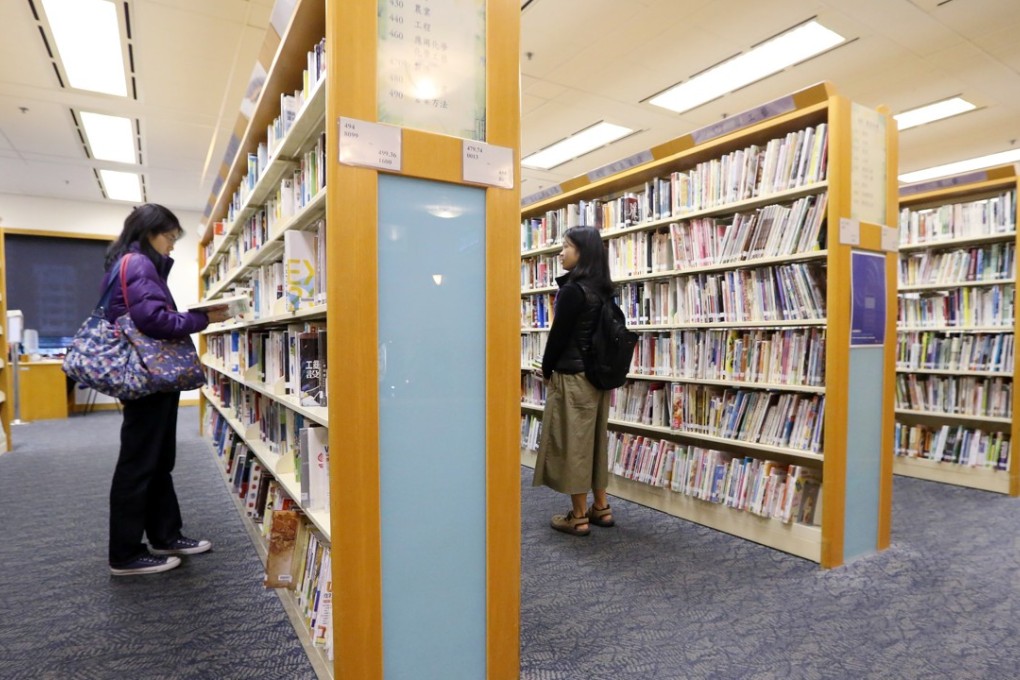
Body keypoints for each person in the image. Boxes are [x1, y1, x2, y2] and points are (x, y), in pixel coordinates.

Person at [103, 204, 231, 576]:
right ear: (150, 232)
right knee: (140, 462)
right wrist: (203, 318)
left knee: (156, 460)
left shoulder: (127, 262)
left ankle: (165, 534)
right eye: (170, 238)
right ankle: (125, 554)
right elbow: (154, 320)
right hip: (150, 376)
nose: (173, 247)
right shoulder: (138, 263)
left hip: (148, 375)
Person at [532, 225, 616, 536]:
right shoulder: (604, 289)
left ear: (581, 252)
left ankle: (578, 516)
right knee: (595, 442)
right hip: (597, 378)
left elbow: (558, 337)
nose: (560, 252)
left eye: (566, 246)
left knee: (573, 444)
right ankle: (601, 507)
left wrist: (547, 368)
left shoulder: (572, 291)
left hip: (572, 376)